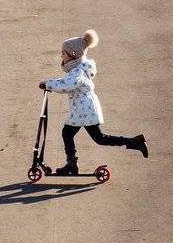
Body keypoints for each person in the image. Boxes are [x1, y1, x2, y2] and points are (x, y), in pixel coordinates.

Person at [37, 30, 148, 177]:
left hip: (84, 111)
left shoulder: (78, 72)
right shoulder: (77, 69)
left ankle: (134, 142)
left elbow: (67, 86)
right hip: (84, 110)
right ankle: (72, 163)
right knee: (84, 136)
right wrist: (48, 83)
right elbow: (66, 81)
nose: (61, 55)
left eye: (64, 53)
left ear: (73, 55)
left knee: (91, 137)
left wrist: (48, 84)